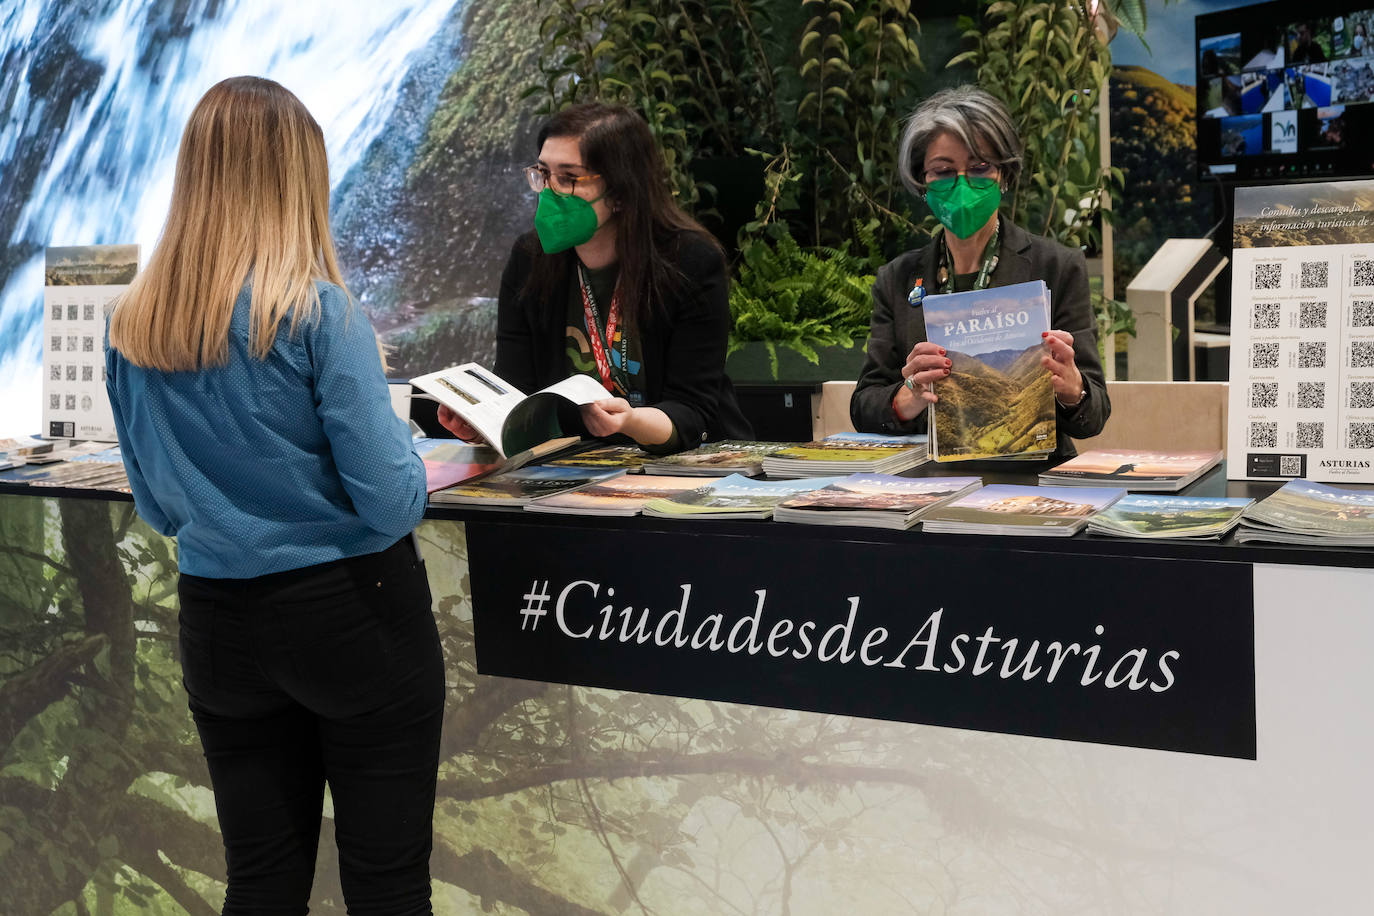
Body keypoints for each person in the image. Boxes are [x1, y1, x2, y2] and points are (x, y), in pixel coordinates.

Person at [106, 76, 444, 915]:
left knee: (259, 882)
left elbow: (156, 508)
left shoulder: (132, 328)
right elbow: (392, 504)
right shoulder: (321, 314)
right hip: (353, 616)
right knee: (387, 884)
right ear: (299, 180)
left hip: (217, 625)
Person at [437, 102, 751, 451]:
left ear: (619, 193)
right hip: (574, 464)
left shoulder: (689, 262)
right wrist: (481, 423)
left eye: (568, 178)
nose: (549, 192)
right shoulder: (530, 258)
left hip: (687, 464)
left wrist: (630, 420)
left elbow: (694, 412)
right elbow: (518, 390)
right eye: (543, 174)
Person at [850, 85, 1110, 458]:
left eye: (980, 167)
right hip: (930, 483)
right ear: (922, 182)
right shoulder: (898, 278)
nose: (962, 184)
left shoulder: (1055, 266)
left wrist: (1072, 388)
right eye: (943, 171)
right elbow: (864, 406)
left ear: (1004, 175)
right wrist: (908, 396)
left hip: (1033, 485)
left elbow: (1095, 414)